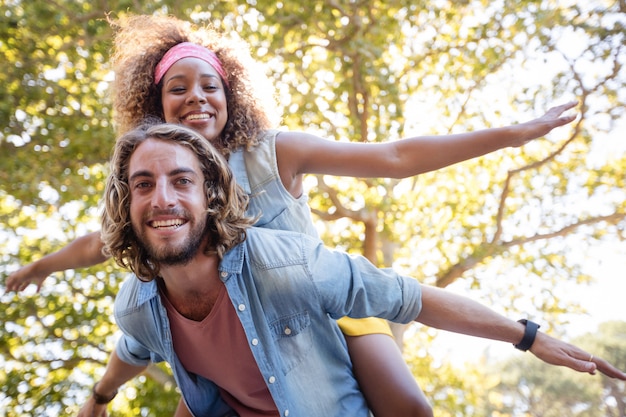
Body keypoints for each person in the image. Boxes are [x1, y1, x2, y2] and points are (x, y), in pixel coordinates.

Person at [5, 14, 580, 417]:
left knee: (409, 406)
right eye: (178, 88)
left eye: (212, 86)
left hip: (320, 308)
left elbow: (395, 158)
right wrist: (44, 267)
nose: (197, 97)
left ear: (232, 97)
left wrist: (512, 134)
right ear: (155, 106)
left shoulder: (271, 153)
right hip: (232, 328)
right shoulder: (162, 193)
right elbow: (102, 246)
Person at [77, 122, 625, 417]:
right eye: (144, 185)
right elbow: (131, 349)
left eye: (181, 181)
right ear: (126, 205)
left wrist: (527, 335)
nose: (162, 198)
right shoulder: (137, 304)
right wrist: (98, 399)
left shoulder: (287, 261)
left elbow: (407, 296)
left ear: (212, 195)